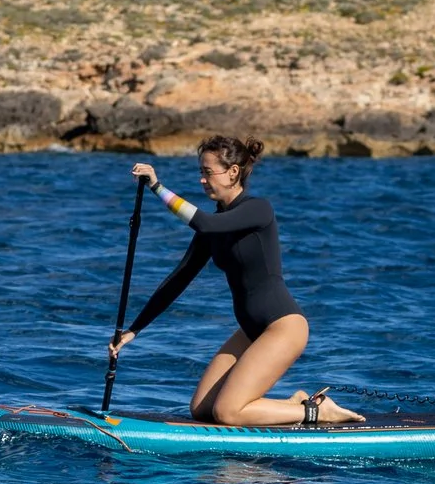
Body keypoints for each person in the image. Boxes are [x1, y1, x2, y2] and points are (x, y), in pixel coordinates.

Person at [106, 135, 362, 426]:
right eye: (200, 172)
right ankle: (292, 404)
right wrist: (134, 330)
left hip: (283, 327)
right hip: (251, 330)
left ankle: (318, 411)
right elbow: (178, 279)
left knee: (228, 412)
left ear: (233, 172)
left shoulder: (258, 209)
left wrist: (156, 186)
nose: (202, 180)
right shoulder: (213, 228)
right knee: (203, 410)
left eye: (208, 172)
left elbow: (203, 222)